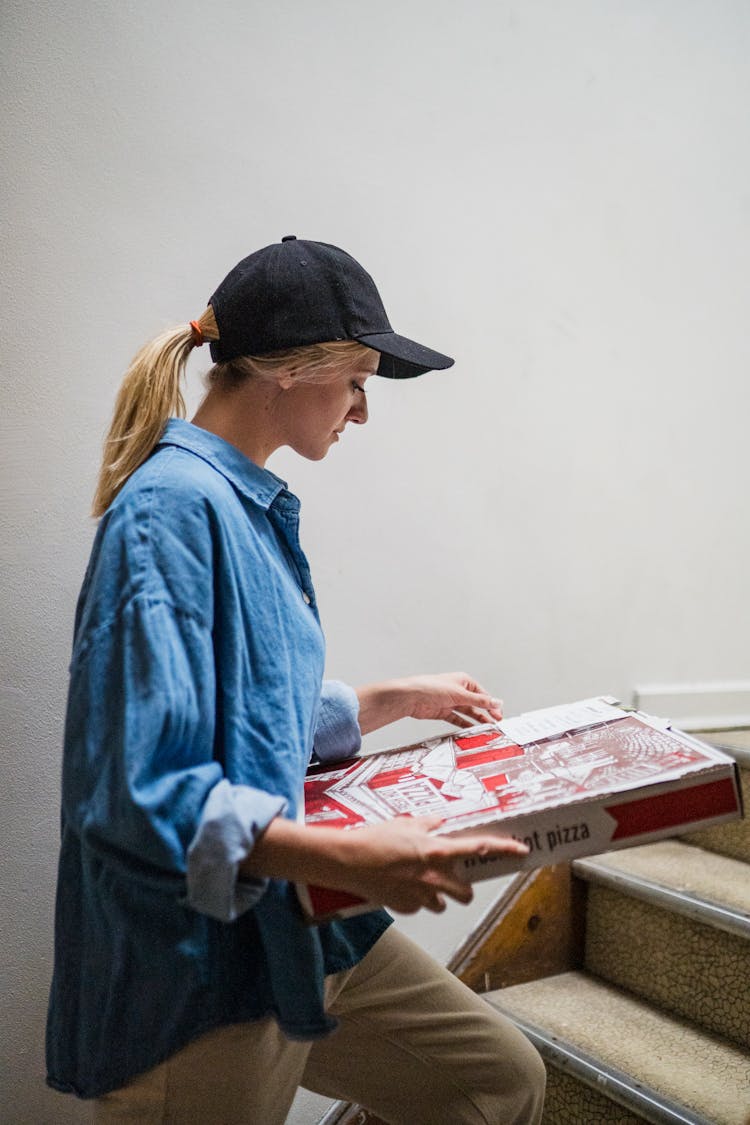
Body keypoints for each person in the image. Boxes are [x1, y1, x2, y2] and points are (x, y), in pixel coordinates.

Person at [46, 236, 546, 1124]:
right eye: (356, 380)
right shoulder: (169, 512)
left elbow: (243, 707)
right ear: (290, 369)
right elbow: (137, 791)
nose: (361, 410)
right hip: (194, 968)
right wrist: (351, 856)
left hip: (298, 915)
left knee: (497, 1080)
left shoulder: (241, 503)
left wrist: (389, 699)